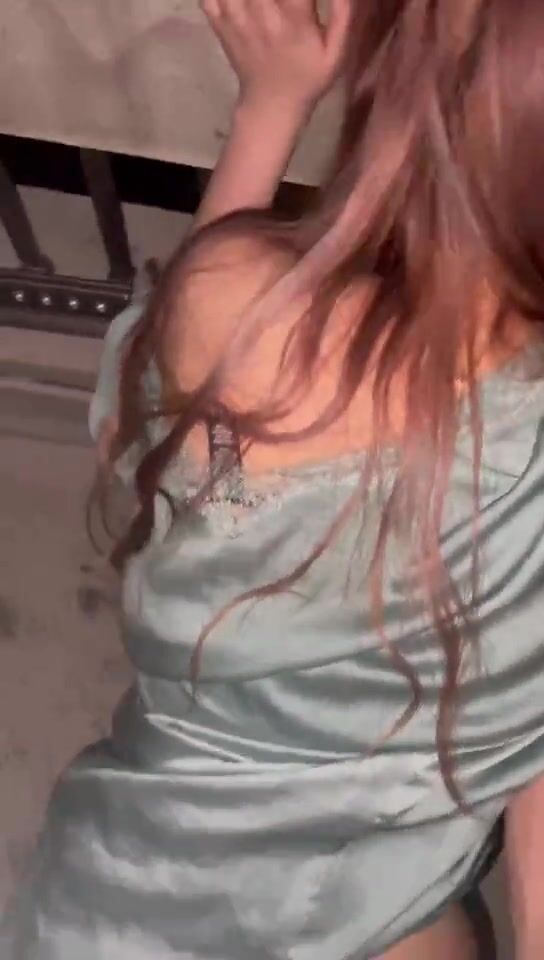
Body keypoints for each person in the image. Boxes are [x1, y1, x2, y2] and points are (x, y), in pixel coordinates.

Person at [4, 0, 544, 957]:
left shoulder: (248, 312)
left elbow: (137, 429)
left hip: (141, 885)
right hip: (387, 897)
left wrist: (270, 106)